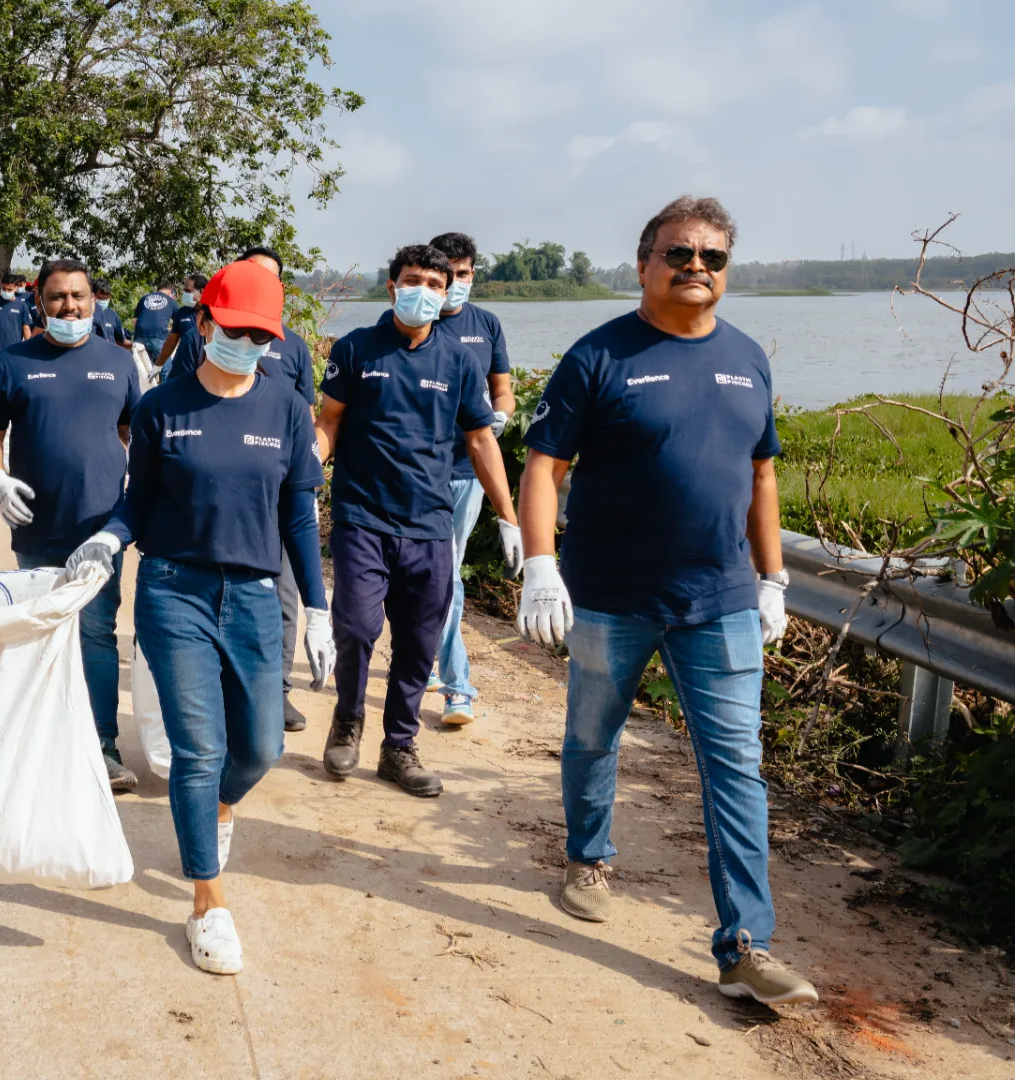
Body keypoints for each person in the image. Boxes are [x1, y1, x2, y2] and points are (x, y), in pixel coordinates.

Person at [517, 196, 816, 1006]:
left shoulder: (749, 358)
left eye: (712, 258)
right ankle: (587, 856)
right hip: (609, 599)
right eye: (679, 254)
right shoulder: (598, 357)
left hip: (718, 600)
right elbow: (543, 466)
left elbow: (761, 473)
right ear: (644, 264)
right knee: (592, 737)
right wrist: (540, 564)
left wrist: (773, 577)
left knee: (737, 771)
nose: (696, 268)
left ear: (727, 270)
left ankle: (745, 946)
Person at [72, 259, 333, 974]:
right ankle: (207, 904)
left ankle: (218, 810)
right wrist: (107, 538)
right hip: (173, 590)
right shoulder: (163, 408)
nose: (247, 342)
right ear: (207, 322)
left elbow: (299, 516)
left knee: (260, 748)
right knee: (198, 750)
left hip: (252, 595)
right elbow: (136, 502)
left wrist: (317, 606)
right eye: (236, 328)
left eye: (261, 333)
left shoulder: (285, 407)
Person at [313, 244, 523, 798]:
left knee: (419, 642)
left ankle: (398, 746)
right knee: (356, 628)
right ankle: (349, 719)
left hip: (429, 524)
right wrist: (307, 469)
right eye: (414, 281)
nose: (426, 291)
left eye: (437, 282)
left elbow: (480, 440)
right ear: (391, 286)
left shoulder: (459, 359)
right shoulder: (356, 349)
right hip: (363, 517)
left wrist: (510, 518)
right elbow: (328, 422)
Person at [0, 259, 144, 791]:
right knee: (39, 633)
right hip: (36, 529)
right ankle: (37, 743)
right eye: (56, 298)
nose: (69, 306)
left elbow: (132, 430)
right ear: (39, 303)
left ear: (94, 300)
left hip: (100, 531)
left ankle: (102, 746)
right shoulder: (16, 362)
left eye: (78, 296)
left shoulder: (119, 363)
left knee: (96, 633)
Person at [171, 248, 320, 731]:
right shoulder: (205, 339)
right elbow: (176, 403)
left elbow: (307, 419)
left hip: (273, 491)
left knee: (282, 594)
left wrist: (305, 482)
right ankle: (222, 687)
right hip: (213, 496)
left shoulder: (294, 347)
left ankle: (276, 691)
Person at [423, 232, 516, 725]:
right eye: (448, 275)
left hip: (468, 471)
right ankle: (457, 684)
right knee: (441, 579)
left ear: (473, 274)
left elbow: (503, 391)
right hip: (418, 472)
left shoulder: (487, 326)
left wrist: (497, 417)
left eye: (464, 274)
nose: (456, 284)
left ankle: (439, 667)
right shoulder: (415, 325)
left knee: (446, 576)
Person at [156, 272, 208, 374]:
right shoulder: (182, 313)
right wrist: (158, 365)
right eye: (184, 290)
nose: (185, 293)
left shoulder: (212, 313)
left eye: (188, 291)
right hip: (182, 370)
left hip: (205, 372)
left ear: (201, 291)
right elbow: (170, 342)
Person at [131, 280, 177, 365]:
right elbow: (178, 325)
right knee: (165, 372)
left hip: (139, 337)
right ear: (170, 291)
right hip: (158, 337)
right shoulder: (171, 301)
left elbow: (134, 322)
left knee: (142, 373)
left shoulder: (144, 298)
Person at [0, 275, 30, 352]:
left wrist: (29, 348)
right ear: (1, 286)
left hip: (14, 351)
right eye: (4, 289)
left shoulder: (22, 306)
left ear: (16, 288)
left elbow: (26, 329)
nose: (6, 292)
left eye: (9, 289)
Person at [90, 282, 130, 347]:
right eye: (101, 298)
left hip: (110, 353)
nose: (104, 301)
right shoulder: (87, 315)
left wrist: (134, 345)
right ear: (93, 296)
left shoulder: (113, 315)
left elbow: (121, 341)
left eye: (106, 299)